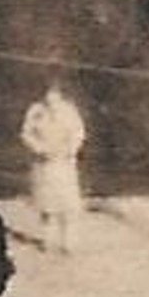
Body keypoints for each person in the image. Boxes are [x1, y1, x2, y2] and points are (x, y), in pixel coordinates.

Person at [20, 81, 87, 253]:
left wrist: (69, 150)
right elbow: (26, 133)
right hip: (44, 164)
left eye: (54, 95)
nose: (50, 99)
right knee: (47, 205)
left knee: (68, 205)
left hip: (64, 164)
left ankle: (69, 242)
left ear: (60, 95)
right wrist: (39, 149)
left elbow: (78, 133)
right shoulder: (36, 111)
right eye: (47, 96)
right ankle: (48, 240)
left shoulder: (69, 111)